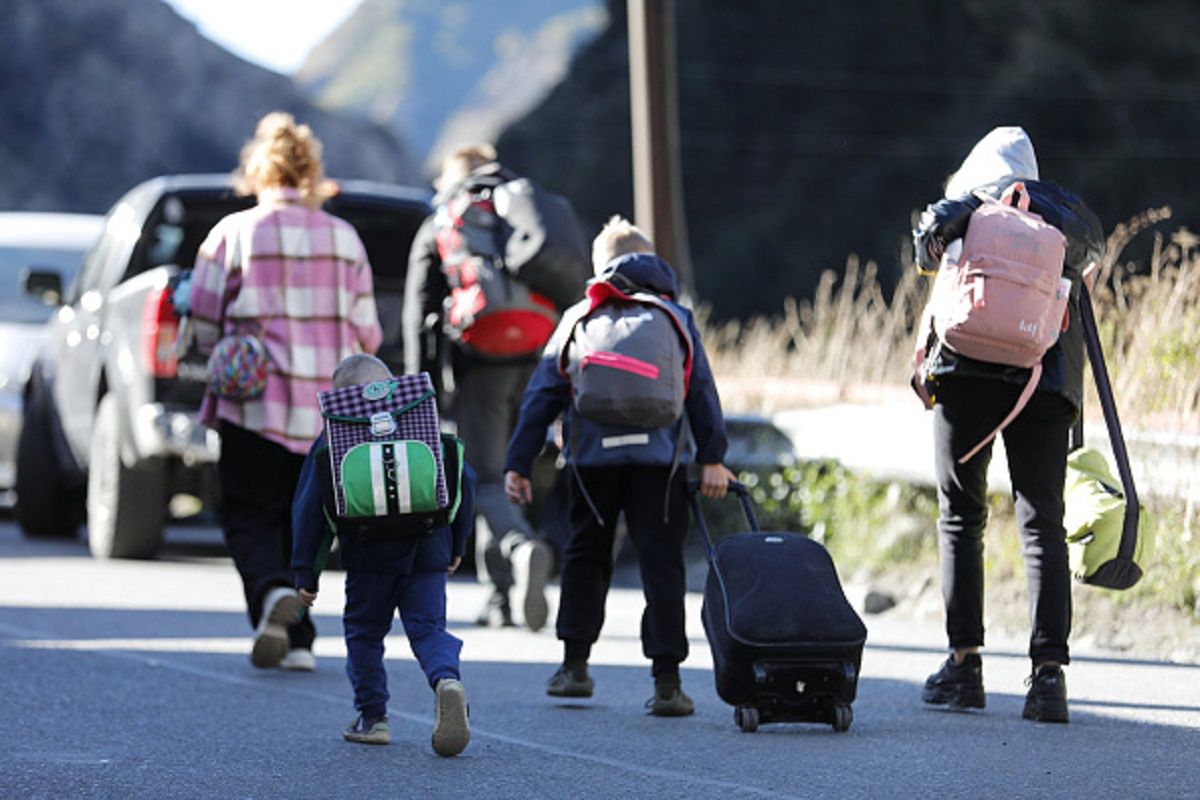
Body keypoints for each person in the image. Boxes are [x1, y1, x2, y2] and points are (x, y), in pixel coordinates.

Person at [503, 216, 735, 716]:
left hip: (590, 462)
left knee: (586, 557)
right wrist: (714, 458)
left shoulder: (579, 317)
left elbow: (543, 393)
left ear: (599, 266)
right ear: (652, 263)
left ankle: (574, 668)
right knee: (662, 564)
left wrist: (518, 462)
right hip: (660, 461)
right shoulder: (675, 316)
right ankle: (668, 682)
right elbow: (701, 393)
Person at [912, 126, 1105, 723]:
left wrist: (964, 210)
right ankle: (1049, 679)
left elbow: (924, 247)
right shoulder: (1067, 217)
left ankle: (964, 666)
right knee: (1041, 522)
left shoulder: (964, 209)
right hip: (1043, 382)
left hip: (965, 374)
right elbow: (1093, 262)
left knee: (961, 516)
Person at [190, 112, 383, 672]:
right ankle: (299, 640)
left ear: (258, 170)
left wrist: (220, 341)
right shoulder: (344, 239)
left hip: (254, 400)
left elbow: (203, 318)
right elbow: (367, 331)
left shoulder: (233, 232)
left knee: (249, 513)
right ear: (311, 171)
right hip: (326, 410)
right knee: (307, 522)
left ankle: (272, 594)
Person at [291, 354, 475, 756]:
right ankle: (446, 680)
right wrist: (457, 545)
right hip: (428, 550)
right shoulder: (423, 425)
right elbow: (464, 480)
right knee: (429, 630)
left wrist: (306, 573)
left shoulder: (334, 439)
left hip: (367, 555)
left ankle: (372, 718)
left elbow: (310, 509)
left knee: (364, 633)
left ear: (341, 399)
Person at [403, 144, 553, 630]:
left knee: (485, 477)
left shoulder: (447, 219)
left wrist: (418, 389)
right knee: (508, 474)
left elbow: (417, 312)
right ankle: (500, 597)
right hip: (536, 360)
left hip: (482, 363)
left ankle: (520, 546)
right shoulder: (520, 211)